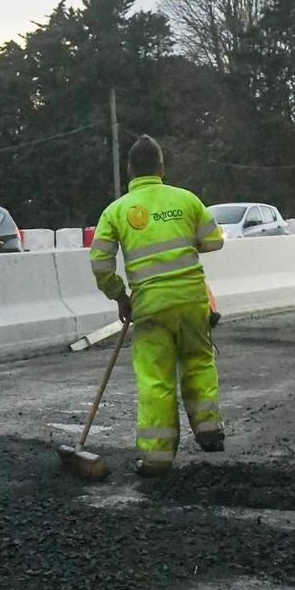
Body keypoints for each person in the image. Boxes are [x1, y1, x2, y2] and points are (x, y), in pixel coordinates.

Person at [88, 136, 225, 475]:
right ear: (162, 167)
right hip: (193, 300)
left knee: (155, 379)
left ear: (131, 170)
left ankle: (157, 458)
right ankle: (209, 430)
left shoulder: (116, 211)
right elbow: (214, 241)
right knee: (198, 361)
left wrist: (119, 295)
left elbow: (101, 263)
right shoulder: (186, 199)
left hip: (150, 306)